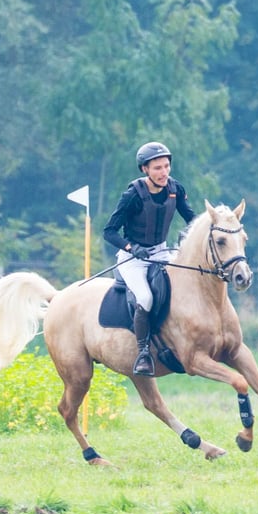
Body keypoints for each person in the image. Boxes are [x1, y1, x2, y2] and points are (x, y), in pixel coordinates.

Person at [103, 141, 196, 376]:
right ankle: (143, 353)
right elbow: (109, 231)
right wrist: (131, 247)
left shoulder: (176, 189)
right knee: (144, 297)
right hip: (132, 258)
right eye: (157, 168)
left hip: (161, 252)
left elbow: (191, 218)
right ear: (145, 169)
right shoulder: (132, 195)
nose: (164, 172)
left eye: (166, 166)